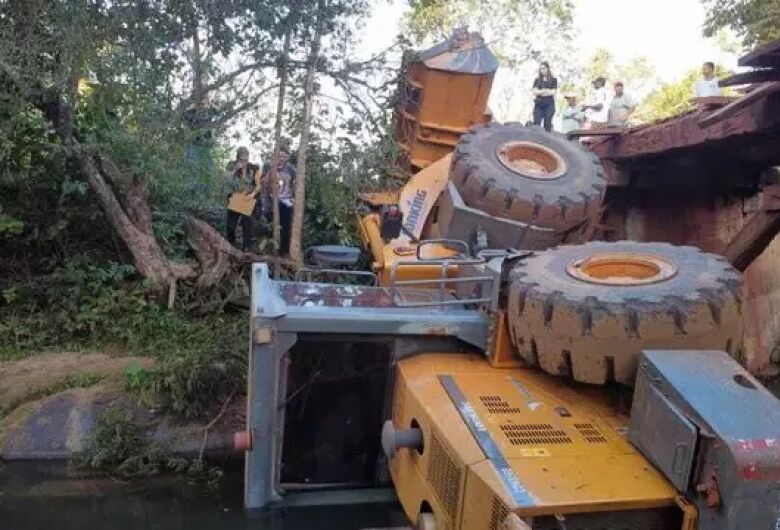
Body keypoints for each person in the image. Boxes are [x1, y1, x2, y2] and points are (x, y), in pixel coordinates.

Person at [224, 146, 261, 251]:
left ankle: (246, 249)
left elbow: (258, 185)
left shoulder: (254, 168)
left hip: (248, 199)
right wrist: (236, 168)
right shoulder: (231, 165)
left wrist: (253, 194)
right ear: (237, 158)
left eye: (246, 160)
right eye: (241, 160)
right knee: (230, 226)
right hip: (235, 198)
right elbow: (226, 178)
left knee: (247, 226)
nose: (244, 162)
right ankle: (230, 247)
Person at [262, 146, 296, 255]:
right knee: (270, 227)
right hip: (272, 201)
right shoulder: (268, 166)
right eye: (279, 156)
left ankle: (283, 252)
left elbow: (296, 184)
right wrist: (272, 170)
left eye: (284, 157)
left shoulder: (291, 169)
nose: (281, 159)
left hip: (286, 201)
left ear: (287, 158)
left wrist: (294, 198)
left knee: (285, 227)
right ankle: (270, 251)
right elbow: (263, 183)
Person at [531, 62, 558, 132]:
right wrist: (546, 91)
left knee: (547, 124)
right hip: (539, 105)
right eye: (540, 69)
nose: (542, 70)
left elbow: (553, 92)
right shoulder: (537, 80)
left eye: (543, 68)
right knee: (536, 124)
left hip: (549, 105)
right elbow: (534, 92)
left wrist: (541, 91)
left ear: (548, 69)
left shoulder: (553, 80)